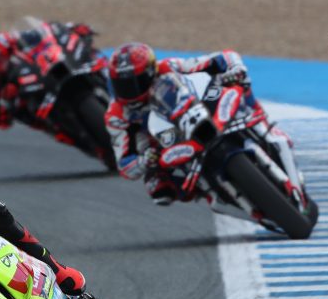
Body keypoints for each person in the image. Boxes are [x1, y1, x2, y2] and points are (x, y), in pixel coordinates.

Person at [105, 43, 296, 215]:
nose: (128, 90)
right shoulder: (115, 115)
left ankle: (264, 127)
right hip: (162, 143)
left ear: (150, 73)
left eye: (134, 83)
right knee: (158, 189)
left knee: (239, 84)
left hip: (197, 110)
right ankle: (209, 191)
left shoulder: (169, 66)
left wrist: (235, 69)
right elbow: (124, 165)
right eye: (121, 85)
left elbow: (223, 57)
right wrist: (143, 160)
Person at [0, 21, 109, 162]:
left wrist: (63, 30)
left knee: (80, 56)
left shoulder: (1, 43)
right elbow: (2, 122)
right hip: (24, 104)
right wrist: (6, 101)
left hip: (36, 76)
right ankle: (86, 143)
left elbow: (34, 35)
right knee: (48, 126)